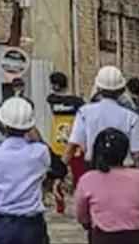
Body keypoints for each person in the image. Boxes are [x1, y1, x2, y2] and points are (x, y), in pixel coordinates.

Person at [0, 97, 54, 244]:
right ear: (30, 125)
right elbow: (49, 168)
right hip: (32, 227)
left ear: (2, 124)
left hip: (1, 226)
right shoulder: (40, 152)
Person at [75, 129, 139, 244]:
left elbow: (81, 215)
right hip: (135, 237)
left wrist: (88, 223)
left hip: (103, 237)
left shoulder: (88, 179)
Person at [67, 66, 139, 170]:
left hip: (94, 169)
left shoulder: (84, 113)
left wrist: (59, 173)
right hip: (123, 170)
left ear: (98, 88)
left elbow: (72, 145)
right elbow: (137, 154)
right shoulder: (132, 117)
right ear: (122, 90)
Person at [47, 71, 88, 211]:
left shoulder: (51, 100)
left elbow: (53, 97)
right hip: (74, 139)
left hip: (57, 139)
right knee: (78, 174)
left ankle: (59, 201)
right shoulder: (77, 102)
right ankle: (80, 203)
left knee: (59, 172)